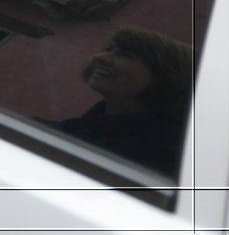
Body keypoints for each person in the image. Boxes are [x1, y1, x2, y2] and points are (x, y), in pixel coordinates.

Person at [54, 27, 194, 174]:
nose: (98, 56)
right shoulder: (84, 127)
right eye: (109, 49)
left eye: (124, 55)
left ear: (164, 76)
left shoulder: (155, 152)